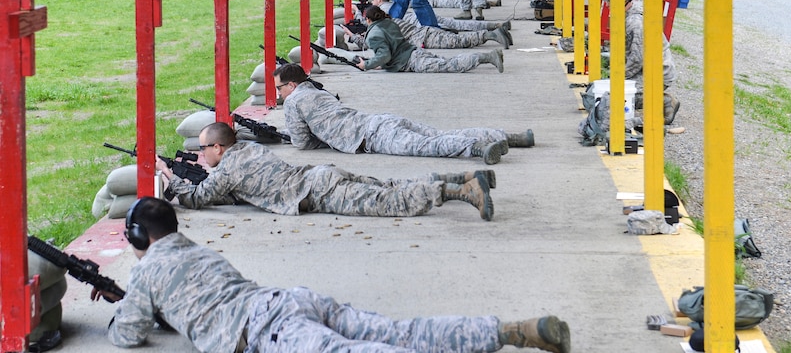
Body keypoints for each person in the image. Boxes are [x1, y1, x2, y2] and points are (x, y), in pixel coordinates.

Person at [94, 197, 571, 352]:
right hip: (292, 301)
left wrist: (121, 308)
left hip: (271, 330)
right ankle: (512, 331)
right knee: (396, 331)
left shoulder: (149, 273)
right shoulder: (200, 253)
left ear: (138, 238)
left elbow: (128, 335)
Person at [157, 122, 495, 220]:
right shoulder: (249, 149)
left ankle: (461, 191)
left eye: (202, 149)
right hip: (320, 176)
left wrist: (172, 179)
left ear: (218, 148)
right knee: (389, 187)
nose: (199, 154)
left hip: (317, 192)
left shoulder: (228, 168)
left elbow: (199, 199)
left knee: (393, 203)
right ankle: (459, 178)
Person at [274, 63, 535, 166]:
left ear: (292, 86)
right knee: (439, 135)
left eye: (279, 88)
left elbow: (302, 143)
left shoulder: (294, 102)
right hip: (380, 120)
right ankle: (508, 137)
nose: (278, 94)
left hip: (370, 136)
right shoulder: (320, 92)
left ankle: (477, 149)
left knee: (428, 146)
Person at [601, 0, 680, 125]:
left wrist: (617, 78)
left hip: (658, 72)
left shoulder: (634, 23)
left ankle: (664, 100)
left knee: (620, 95)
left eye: (609, 2)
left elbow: (637, 59)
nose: (607, 6)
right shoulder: (629, 17)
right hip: (649, 68)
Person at [340, 0, 510, 50]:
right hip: (423, 22)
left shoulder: (384, 12)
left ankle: (493, 31)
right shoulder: (390, 9)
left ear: (379, 0)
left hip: (422, 27)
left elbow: (369, 32)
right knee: (461, 26)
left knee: (460, 35)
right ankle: (495, 26)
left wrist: (356, 14)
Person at [357, 5, 505, 73]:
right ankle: (489, 46)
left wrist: (367, 65)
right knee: (449, 59)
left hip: (412, 59)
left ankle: (488, 57)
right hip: (415, 52)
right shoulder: (388, 22)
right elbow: (391, 50)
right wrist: (381, 64)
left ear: (368, 20)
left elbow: (385, 54)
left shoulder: (374, 35)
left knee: (451, 65)